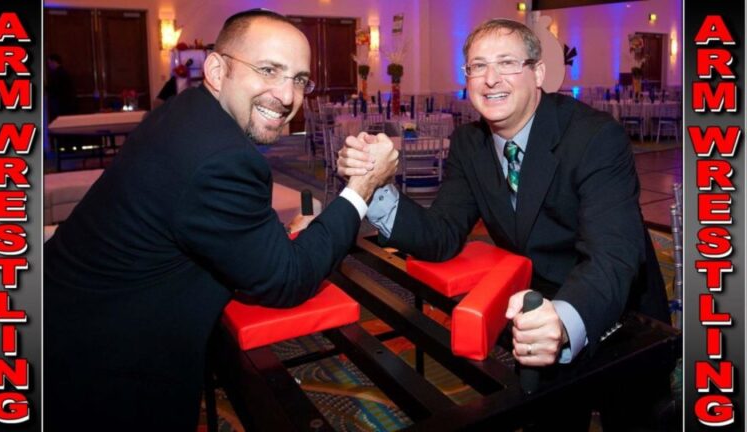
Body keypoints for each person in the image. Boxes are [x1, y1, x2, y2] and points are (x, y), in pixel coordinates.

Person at [44, 9, 398, 431]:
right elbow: (287, 280)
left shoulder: (189, 111)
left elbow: (210, 224)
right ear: (216, 70)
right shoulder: (221, 157)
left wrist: (282, 236)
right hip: (97, 366)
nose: (287, 96)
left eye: (299, 80)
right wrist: (361, 187)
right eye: (268, 70)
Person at [338, 19, 671, 431]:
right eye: (478, 66)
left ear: (538, 73)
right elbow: (441, 234)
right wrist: (373, 185)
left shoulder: (594, 136)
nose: (491, 78)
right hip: (533, 313)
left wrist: (564, 319)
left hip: (620, 314)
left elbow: (613, 256)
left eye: (507, 63)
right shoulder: (469, 143)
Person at [45, 53, 77, 121]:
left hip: (61, 104)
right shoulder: (64, 72)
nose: (49, 65)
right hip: (68, 104)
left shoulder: (57, 74)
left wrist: (46, 88)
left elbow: (55, 89)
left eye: (49, 63)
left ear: (54, 62)